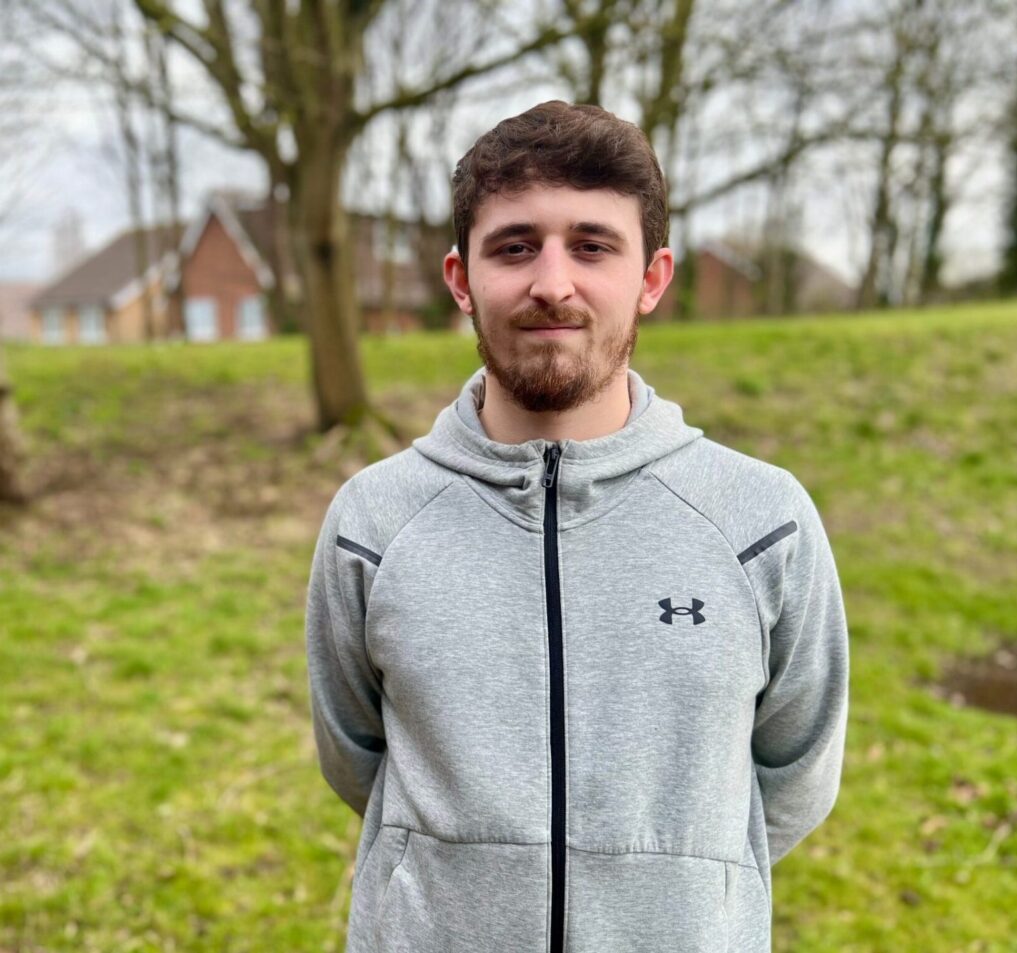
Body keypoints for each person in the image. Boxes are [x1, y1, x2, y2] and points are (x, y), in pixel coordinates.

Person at [305, 100, 849, 953]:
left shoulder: (762, 522)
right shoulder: (374, 521)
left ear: (653, 278)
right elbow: (356, 756)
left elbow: (797, 769)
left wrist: (673, 889)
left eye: (592, 245)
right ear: (460, 279)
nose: (551, 282)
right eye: (515, 245)